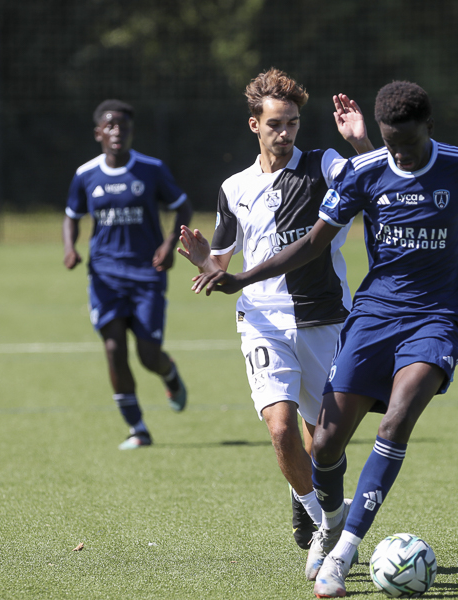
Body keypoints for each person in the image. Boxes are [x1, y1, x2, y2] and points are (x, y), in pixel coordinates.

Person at [190, 81, 458, 597]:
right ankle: (328, 522)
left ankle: (342, 555)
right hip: (372, 314)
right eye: (392, 145)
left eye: (409, 145)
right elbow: (312, 243)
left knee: (396, 420)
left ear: (428, 128)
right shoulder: (369, 169)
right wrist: (242, 278)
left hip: (437, 317)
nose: (402, 156)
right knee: (322, 443)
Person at [178, 68, 374, 551]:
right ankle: (324, 519)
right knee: (281, 427)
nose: (284, 134)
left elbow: (376, 179)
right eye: (274, 125)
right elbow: (223, 261)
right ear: (254, 126)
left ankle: (315, 502)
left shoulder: (323, 164)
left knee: (323, 441)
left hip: (324, 317)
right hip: (262, 319)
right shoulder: (234, 188)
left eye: (291, 124)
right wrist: (207, 262)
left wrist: (361, 141)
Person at [63, 99, 193, 450]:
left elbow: (182, 204)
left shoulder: (150, 169)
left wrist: (169, 243)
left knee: (148, 354)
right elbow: (72, 214)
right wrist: (70, 247)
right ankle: (138, 428)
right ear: (98, 133)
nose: (117, 131)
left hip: (146, 275)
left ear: (132, 132)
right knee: (113, 348)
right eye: (110, 125)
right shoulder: (85, 174)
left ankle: (169, 372)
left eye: (123, 125)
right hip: (105, 275)